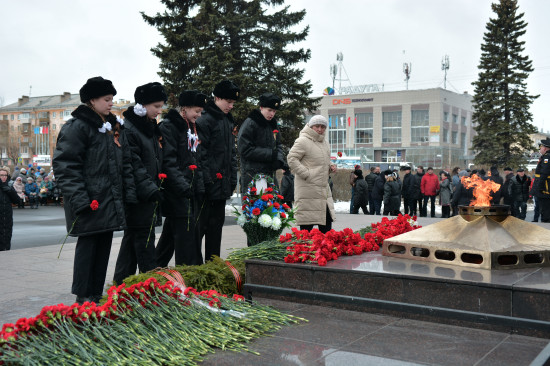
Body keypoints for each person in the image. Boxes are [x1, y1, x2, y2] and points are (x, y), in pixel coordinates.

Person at [53, 76, 137, 304]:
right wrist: (81, 200)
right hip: (90, 201)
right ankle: (83, 296)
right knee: (88, 248)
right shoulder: (78, 127)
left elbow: (122, 164)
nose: (111, 103)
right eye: (107, 99)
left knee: (103, 249)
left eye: (112, 99)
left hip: (108, 200)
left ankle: (96, 294)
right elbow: (65, 166)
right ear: (92, 100)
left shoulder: (112, 127)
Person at [113, 82, 167, 285]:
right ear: (143, 105)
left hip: (148, 193)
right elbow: (134, 164)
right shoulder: (131, 129)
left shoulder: (149, 127)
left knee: (132, 240)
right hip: (138, 195)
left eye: (161, 107)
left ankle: (121, 284)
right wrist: (151, 189)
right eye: (156, 106)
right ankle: (149, 283)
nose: (159, 111)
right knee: (144, 240)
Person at [156, 90, 207, 267]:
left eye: (201, 112)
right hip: (176, 190)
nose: (199, 116)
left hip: (189, 190)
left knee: (172, 235)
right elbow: (169, 162)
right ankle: (187, 272)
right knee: (185, 236)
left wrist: (198, 186)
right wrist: (183, 186)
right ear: (184, 109)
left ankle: (156, 269)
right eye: (196, 111)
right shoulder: (169, 126)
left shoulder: (191, 127)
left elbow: (196, 159)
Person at [196, 80, 239, 260]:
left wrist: (231, 179)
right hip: (208, 186)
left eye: (233, 103)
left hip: (221, 185)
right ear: (217, 98)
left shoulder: (227, 121)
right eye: (227, 102)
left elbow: (231, 155)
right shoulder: (205, 119)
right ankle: (195, 269)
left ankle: (213, 266)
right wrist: (208, 180)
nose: (230, 106)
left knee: (215, 230)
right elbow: (201, 154)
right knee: (199, 231)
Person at [287, 115, 336, 233]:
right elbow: (291, 158)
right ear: (311, 126)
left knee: (326, 228)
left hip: (322, 190)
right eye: (317, 126)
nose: (320, 129)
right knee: (306, 230)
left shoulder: (325, 143)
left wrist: (330, 166)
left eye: (323, 127)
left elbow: (320, 161)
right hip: (307, 190)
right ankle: (305, 251)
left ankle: (324, 251)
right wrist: (306, 174)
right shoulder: (302, 140)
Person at [237, 92, 284, 194]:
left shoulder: (273, 125)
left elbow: (278, 144)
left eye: (274, 111)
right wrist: (270, 154)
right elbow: (244, 149)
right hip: (253, 175)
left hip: (270, 174)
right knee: (255, 208)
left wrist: (279, 159)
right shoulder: (250, 123)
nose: (272, 114)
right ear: (261, 108)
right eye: (269, 110)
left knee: (272, 207)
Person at [0, 167, 21, 251]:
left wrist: (10, 191)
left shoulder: (9, 186)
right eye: (1, 175)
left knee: (7, 233)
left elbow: (17, 201)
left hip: (7, 215)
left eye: (5, 175)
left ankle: (6, 250)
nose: (3, 177)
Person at [532, 138, 550, 222]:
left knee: (545, 212)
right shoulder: (545, 157)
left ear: (545, 148)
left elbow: (544, 174)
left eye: (541, 147)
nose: (540, 149)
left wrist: (539, 188)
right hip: (544, 188)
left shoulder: (547, 158)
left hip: (545, 189)